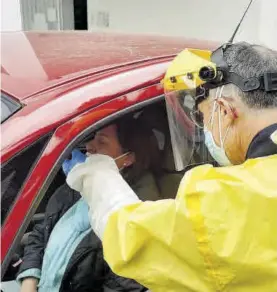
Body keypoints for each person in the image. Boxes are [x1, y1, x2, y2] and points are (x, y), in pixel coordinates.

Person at [65, 42, 277, 292]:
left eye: (203, 116)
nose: (205, 129)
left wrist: (95, 173)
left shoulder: (230, 200)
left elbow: (131, 239)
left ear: (224, 111)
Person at [17, 116, 161, 292]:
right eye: (93, 138)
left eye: (102, 142)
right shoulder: (80, 185)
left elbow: (122, 286)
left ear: (128, 158)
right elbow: (42, 230)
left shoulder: (134, 218)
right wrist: (29, 279)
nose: (89, 147)